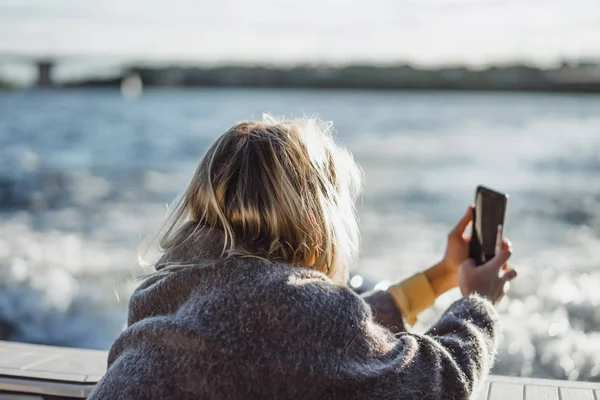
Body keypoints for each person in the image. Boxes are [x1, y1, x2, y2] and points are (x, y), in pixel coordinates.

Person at [90, 115, 517, 400]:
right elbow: (444, 381)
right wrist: (477, 303)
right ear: (318, 220)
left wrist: (441, 277)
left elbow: (310, 335)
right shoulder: (300, 314)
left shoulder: (163, 294)